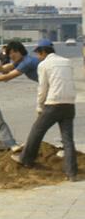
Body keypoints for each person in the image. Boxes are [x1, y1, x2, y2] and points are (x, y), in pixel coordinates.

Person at [12, 39, 78, 180]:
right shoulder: (67, 62)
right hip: (70, 104)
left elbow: (42, 89)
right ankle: (72, 173)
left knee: (37, 131)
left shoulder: (44, 65)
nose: (38, 57)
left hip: (53, 103)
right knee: (68, 140)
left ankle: (26, 159)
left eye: (38, 54)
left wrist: (39, 106)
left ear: (43, 52)